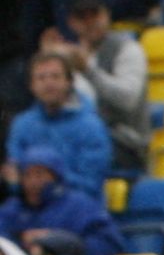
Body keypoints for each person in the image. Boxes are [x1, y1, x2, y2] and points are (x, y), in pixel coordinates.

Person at [41, 0, 148, 172]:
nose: (90, 22)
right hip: (78, 136)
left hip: (124, 142)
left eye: (95, 14)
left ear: (107, 15)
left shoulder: (127, 49)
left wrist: (88, 71)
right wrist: (48, 65)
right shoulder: (68, 57)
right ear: (71, 22)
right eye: (82, 17)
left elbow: (128, 99)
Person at [9, 47, 112, 201]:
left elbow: (91, 184)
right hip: (30, 208)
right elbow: (15, 176)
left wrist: (48, 181)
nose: (48, 83)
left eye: (55, 77)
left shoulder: (91, 126)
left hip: (78, 207)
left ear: (69, 82)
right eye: (41, 78)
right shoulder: (22, 125)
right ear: (32, 86)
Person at [1, 154, 118, 255]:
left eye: (39, 175)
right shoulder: (11, 209)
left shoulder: (81, 206)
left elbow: (109, 243)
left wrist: (60, 244)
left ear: (55, 177)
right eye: (27, 175)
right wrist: (20, 242)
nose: (33, 182)